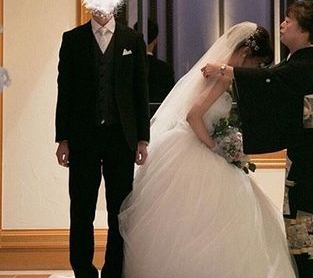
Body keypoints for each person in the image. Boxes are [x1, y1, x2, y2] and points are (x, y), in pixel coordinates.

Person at [119, 22, 297, 278]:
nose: (254, 69)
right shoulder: (222, 77)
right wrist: (216, 147)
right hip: (198, 147)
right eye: (256, 63)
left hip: (187, 146)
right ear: (245, 53)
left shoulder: (217, 71)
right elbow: (193, 116)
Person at [203, 1, 313, 278]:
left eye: (289, 20)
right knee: (303, 217)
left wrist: (225, 71)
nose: (283, 24)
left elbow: (269, 79)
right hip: (307, 151)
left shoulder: (307, 65)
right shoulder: (298, 61)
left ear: (304, 31)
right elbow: (272, 82)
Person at [55, 0, 150, 278]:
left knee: (118, 210)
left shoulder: (132, 40)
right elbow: (65, 91)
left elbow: (140, 91)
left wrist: (142, 138)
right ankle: (83, 269)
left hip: (121, 137)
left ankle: (113, 270)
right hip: (82, 136)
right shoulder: (73, 40)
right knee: (81, 208)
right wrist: (62, 138)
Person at [133, 19, 175, 116]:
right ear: (156, 40)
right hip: (159, 117)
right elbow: (171, 99)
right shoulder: (165, 69)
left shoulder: (127, 66)